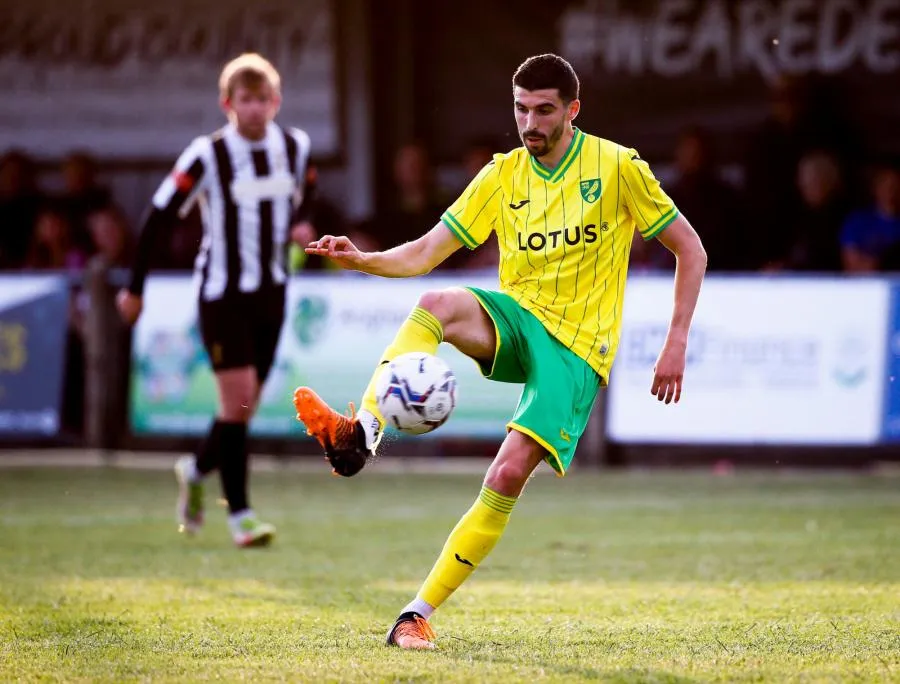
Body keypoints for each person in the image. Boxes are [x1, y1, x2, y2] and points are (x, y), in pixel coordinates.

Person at [293, 54, 707, 648]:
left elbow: (690, 249)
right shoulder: (502, 174)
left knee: (508, 471)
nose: (530, 123)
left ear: (573, 110)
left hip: (576, 349)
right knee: (437, 300)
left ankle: (415, 615)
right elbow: (425, 252)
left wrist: (676, 340)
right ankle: (362, 433)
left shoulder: (616, 167)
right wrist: (364, 259)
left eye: (543, 110)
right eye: (520, 109)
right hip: (517, 320)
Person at [118, 52, 317, 548]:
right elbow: (158, 216)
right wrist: (135, 287)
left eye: (262, 100)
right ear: (227, 104)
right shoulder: (206, 155)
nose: (253, 110)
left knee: (242, 406)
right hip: (221, 294)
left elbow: (307, 189)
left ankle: (195, 468)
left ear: (276, 102)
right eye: (244, 101)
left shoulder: (295, 147)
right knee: (237, 397)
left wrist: (303, 224)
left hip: (272, 291)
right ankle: (241, 517)